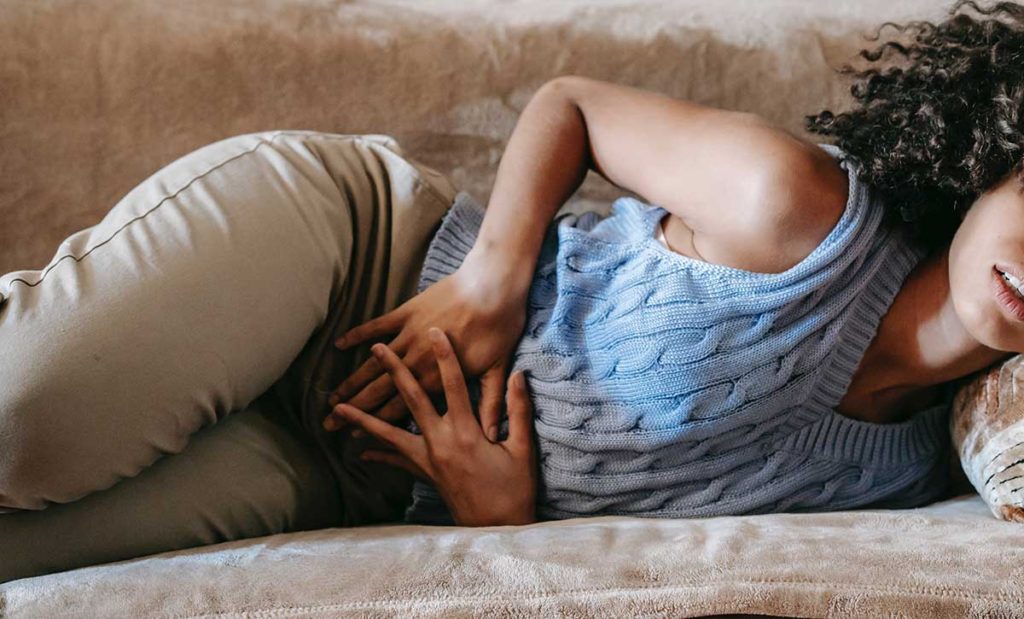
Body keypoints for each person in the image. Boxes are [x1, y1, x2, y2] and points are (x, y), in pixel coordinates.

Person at [0, 0, 1020, 582]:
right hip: (344, 261)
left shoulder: (912, 468)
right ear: (998, 157)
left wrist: (502, 524)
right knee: (24, 427)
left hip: (343, 467)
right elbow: (568, 104)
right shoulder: (800, 211)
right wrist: (492, 274)